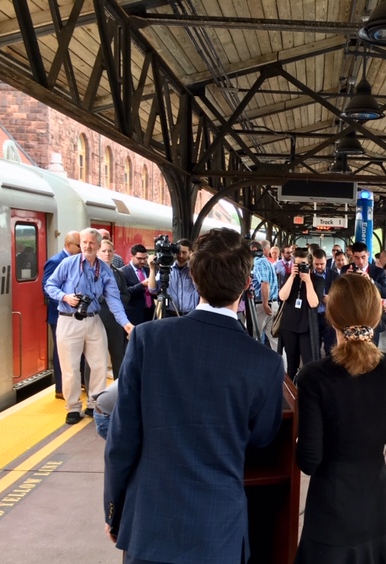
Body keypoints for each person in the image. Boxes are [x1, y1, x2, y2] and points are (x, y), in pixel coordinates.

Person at [103, 228, 285, 563]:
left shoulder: (147, 340)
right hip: (218, 532)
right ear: (247, 285)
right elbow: (261, 438)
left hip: (149, 526)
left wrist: (114, 511)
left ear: (195, 280)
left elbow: (121, 438)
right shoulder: (266, 363)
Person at [295, 274, 386, 564]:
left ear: (331, 318)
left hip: (331, 509)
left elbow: (309, 460)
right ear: (376, 316)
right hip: (376, 503)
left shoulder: (313, 377)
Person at [45, 228, 134, 424]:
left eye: (92, 243)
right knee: (70, 368)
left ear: (98, 245)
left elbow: (114, 299)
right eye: (84, 242)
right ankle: (73, 407)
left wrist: (126, 324)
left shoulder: (105, 270)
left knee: (99, 364)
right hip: (68, 319)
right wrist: (65, 297)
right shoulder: (68, 264)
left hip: (94, 319)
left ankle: (94, 403)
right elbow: (49, 285)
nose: (87, 246)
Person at [42, 230, 81, 399]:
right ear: (67, 244)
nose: (82, 249)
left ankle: (76, 384)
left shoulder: (78, 260)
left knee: (74, 351)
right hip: (60, 315)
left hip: (74, 314)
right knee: (61, 352)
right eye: (79, 245)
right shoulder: (56, 261)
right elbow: (47, 288)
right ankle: (60, 389)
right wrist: (64, 303)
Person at [277, 248, 323, 380]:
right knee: (291, 363)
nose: (300, 267)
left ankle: (307, 388)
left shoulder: (317, 281)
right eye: (297, 264)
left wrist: (308, 281)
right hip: (289, 325)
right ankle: (290, 389)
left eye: (303, 264)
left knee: (309, 362)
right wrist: (292, 276)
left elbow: (314, 303)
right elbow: (282, 296)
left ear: (310, 264)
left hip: (306, 326)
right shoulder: (289, 277)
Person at [96, 239, 130, 379]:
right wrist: (109, 298)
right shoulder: (90, 271)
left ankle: (119, 384)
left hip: (115, 321)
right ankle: (93, 388)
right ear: (97, 252)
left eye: (110, 251)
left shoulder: (118, 273)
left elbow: (126, 295)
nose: (107, 254)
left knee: (118, 355)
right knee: (95, 356)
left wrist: (115, 299)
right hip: (97, 319)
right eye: (104, 251)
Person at [250, 240, 279, 348]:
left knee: (252, 337)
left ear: (253, 249)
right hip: (273, 303)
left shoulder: (258, 263)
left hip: (262, 305)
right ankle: (281, 359)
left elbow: (265, 283)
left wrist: (265, 304)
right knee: (275, 340)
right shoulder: (267, 262)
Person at [311, 248, 338, 356]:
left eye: (322, 264)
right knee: (313, 348)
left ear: (326, 261)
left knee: (330, 348)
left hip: (329, 316)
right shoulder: (308, 275)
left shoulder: (334, 275)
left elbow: (341, 295)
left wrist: (331, 299)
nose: (319, 266)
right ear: (312, 262)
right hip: (313, 316)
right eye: (316, 264)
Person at [121, 244, 156, 325]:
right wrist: (142, 285)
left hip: (150, 313)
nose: (143, 261)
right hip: (133, 314)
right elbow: (125, 292)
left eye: (145, 258)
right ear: (131, 256)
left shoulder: (149, 270)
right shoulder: (123, 272)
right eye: (139, 259)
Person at [166, 238, 199, 316]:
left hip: (190, 313)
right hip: (171, 313)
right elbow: (152, 289)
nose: (181, 255)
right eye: (178, 252)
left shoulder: (196, 269)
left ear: (190, 252)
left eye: (184, 253)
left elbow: (200, 289)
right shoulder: (168, 269)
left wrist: (193, 265)